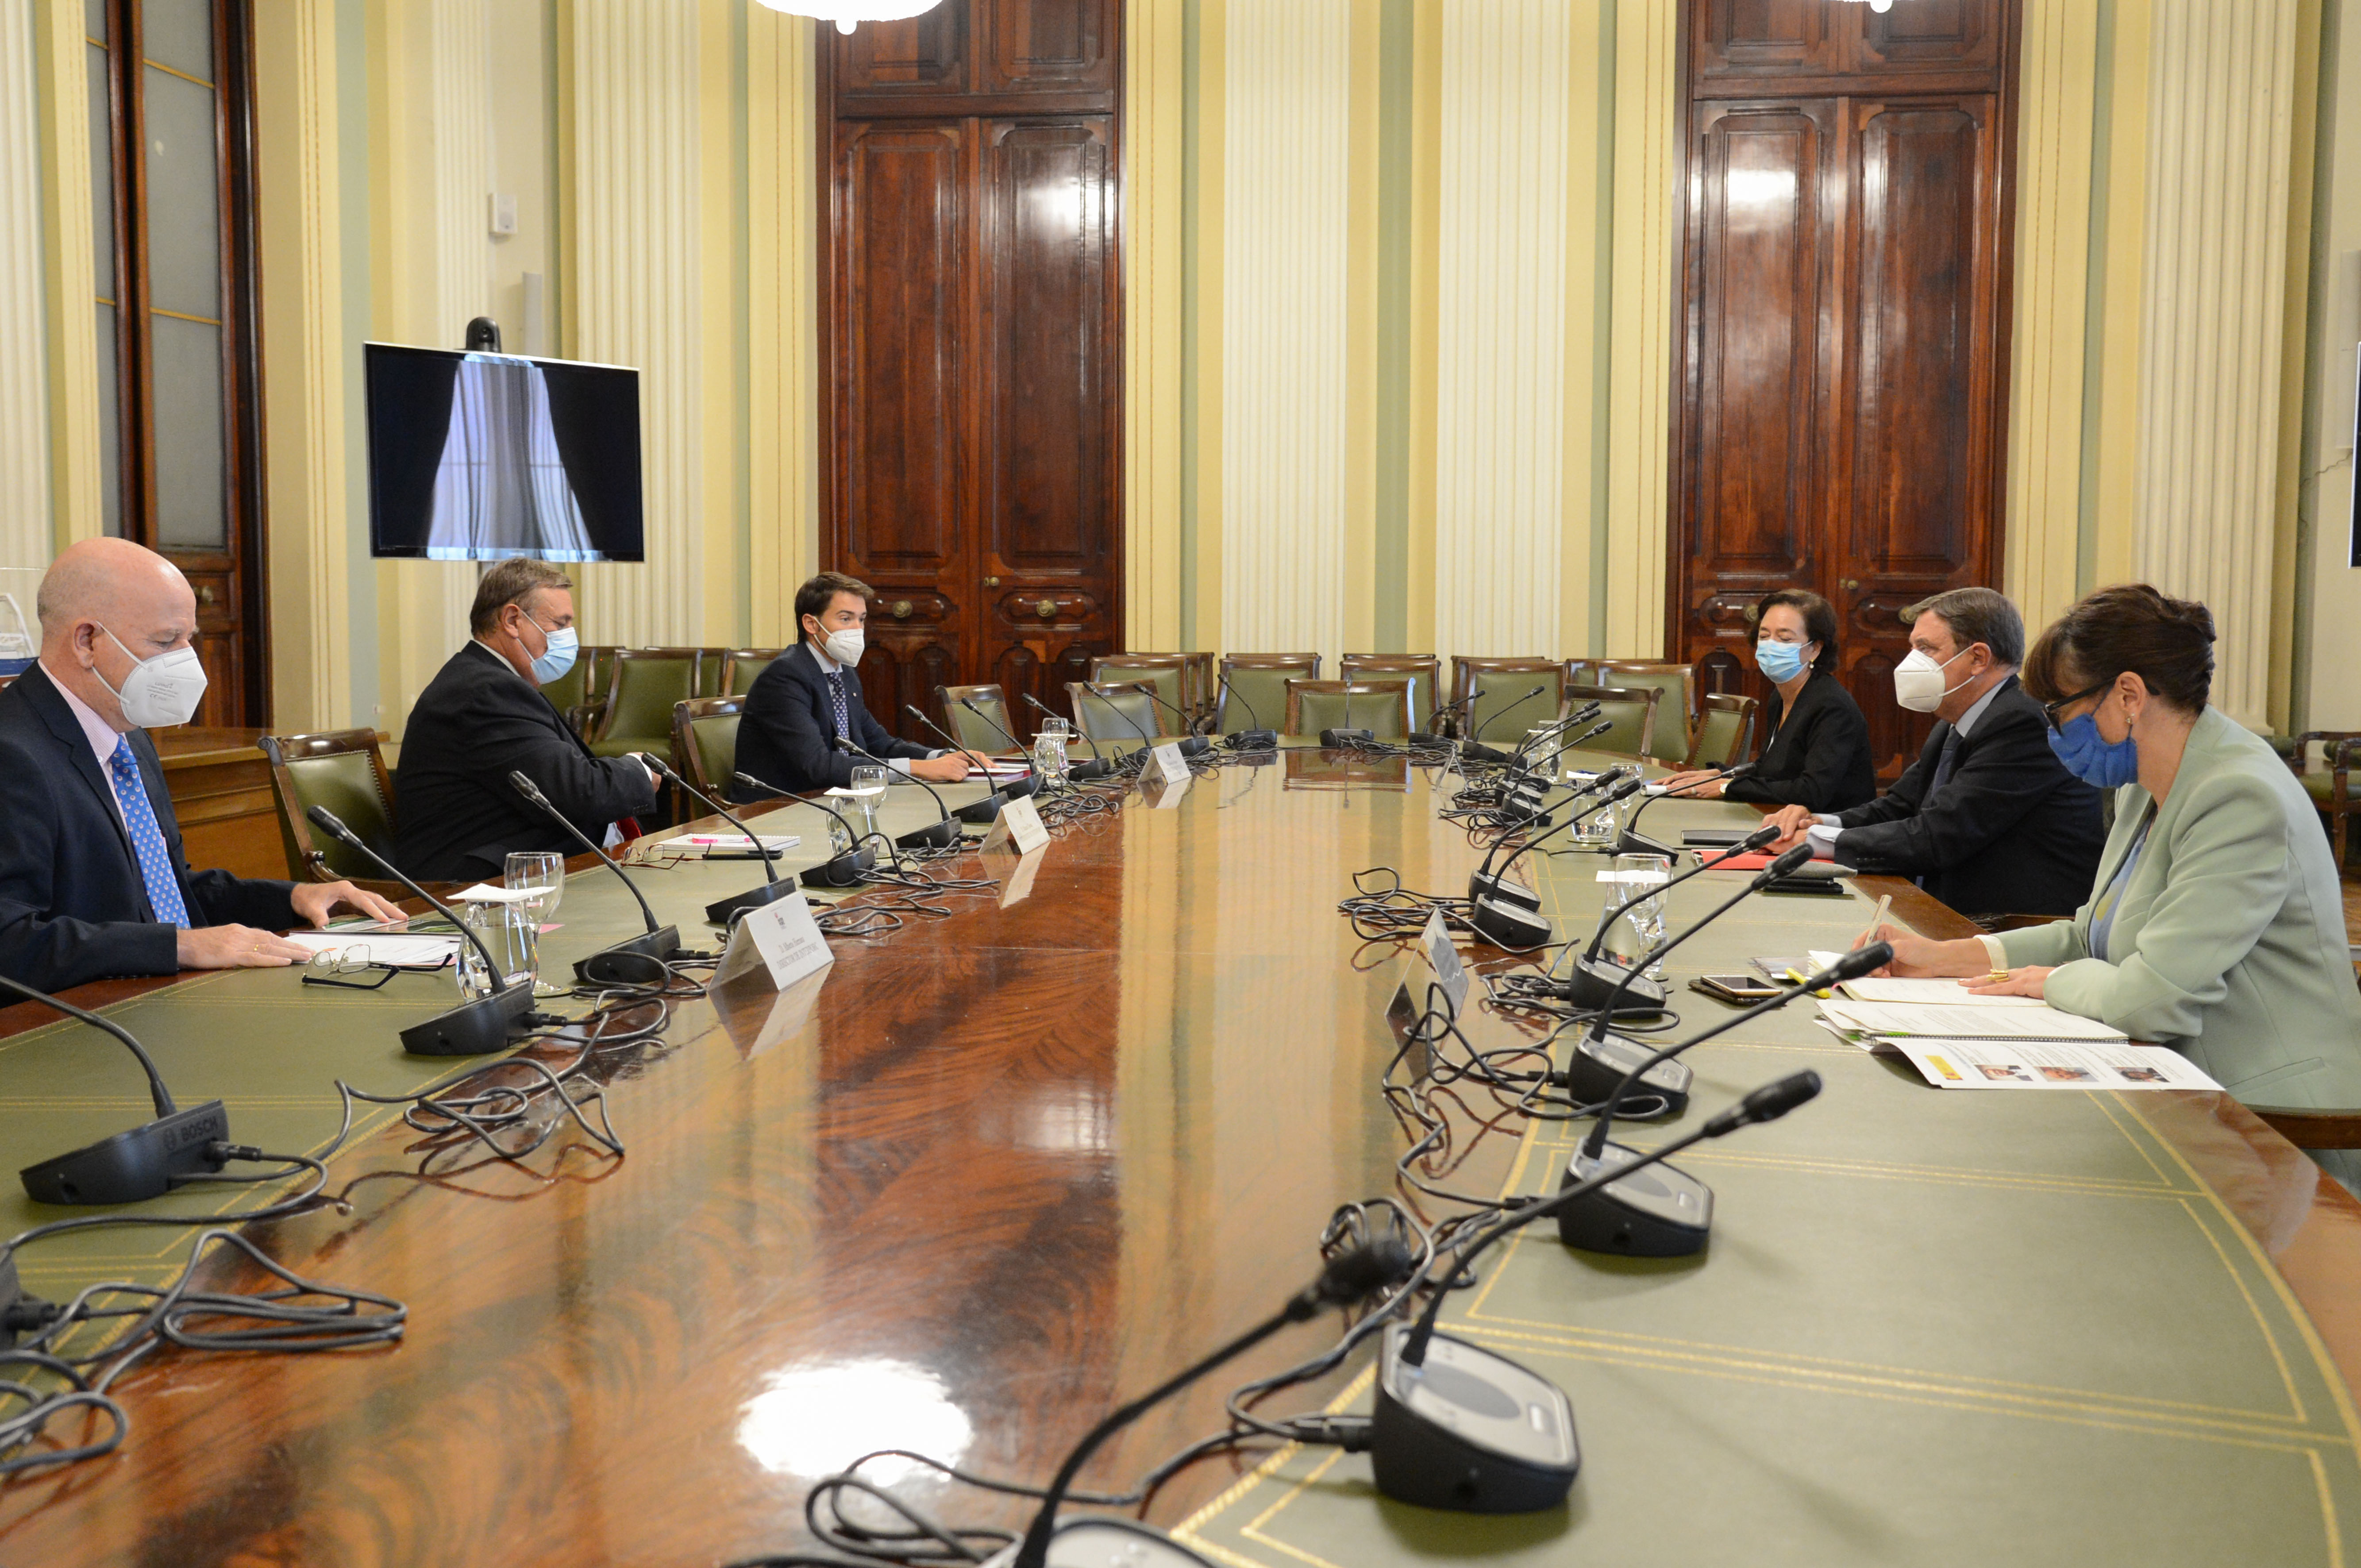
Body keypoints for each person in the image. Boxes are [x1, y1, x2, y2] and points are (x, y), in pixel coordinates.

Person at [1861, 586, 2361, 1142]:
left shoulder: (2239, 795)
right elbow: (2088, 938)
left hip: (2272, 1117)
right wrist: (1941, 957)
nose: (2052, 731)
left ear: (2128, 695)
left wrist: (2051, 982)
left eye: (2060, 711)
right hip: (2173, 1082)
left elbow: (2152, 1001)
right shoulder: (2142, 783)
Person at [0, 538, 404, 993]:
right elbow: (10, 940)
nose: (186, 659)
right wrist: (180, 946)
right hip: (79, 1019)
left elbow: (168, 889)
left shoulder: (129, 736)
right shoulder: (13, 752)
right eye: (165, 641)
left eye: (188, 638)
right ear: (86, 641)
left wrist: (294, 897)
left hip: (165, 997)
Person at [1765, 587, 2104, 918]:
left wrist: (1818, 842)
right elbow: (1898, 806)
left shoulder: (2021, 723)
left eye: (1925, 648)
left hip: (2007, 922)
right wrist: (1819, 822)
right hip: (1946, 905)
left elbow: (1941, 834)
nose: (1910, 662)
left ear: (1978, 658)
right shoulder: (1956, 720)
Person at [394, 558, 662, 882]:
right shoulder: (485, 691)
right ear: (512, 620)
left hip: (526, 865)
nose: (567, 638)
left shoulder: (491, 680)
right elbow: (575, 793)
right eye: (559, 625)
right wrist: (639, 770)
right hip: (474, 883)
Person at [731, 572, 989, 800]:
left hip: (833, 798)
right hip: (776, 809)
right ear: (811, 624)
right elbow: (818, 765)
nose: (857, 629)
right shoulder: (784, 678)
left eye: (862, 619)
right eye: (846, 619)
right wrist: (915, 769)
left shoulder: (844, 672)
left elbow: (879, 743)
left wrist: (941, 757)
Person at [1661, 588, 1873, 811]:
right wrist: (1722, 774)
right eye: (1764, 636)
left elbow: (1812, 792)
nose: (1771, 645)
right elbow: (1772, 769)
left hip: (1831, 826)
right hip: (1785, 818)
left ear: (1815, 649)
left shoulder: (1832, 706)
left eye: (1785, 638)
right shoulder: (1781, 696)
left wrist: (1726, 788)